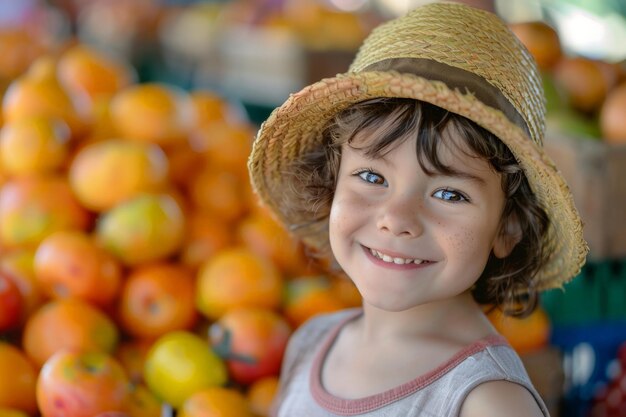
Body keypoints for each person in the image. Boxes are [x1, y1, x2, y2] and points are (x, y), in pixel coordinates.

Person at [247, 2, 588, 416]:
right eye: (373, 178)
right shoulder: (310, 344)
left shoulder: (488, 402)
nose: (397, 219)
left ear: (508, 227)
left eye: (449, 194)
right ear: (330, 181)